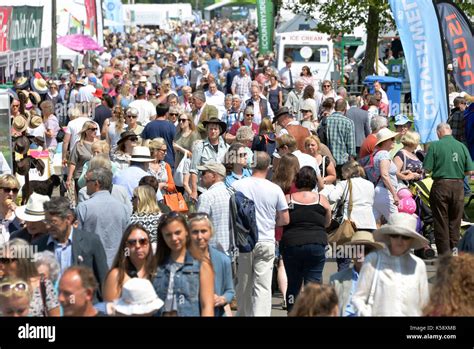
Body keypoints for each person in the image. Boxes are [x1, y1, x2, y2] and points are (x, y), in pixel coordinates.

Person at [232, 152, 289, 316]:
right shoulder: (275, 189)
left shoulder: (238, 185)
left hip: (244, 241)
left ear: (251, 165)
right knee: (262, 286)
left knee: (244, 282)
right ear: (269, 167)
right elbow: (285, 219)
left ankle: (243, 314)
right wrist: (271, 223)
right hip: (266, 240)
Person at [351, 213, 430, 316]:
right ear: (388, 236)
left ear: (412, 239)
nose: (399, 240)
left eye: (405, 237)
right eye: (395, 235)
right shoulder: (373, 260)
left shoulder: (418, 265)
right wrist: (366, 313)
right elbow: (358, 298)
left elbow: (424, 303)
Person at [34, 196, 109, 299]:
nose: (48, 227)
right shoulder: (39, 246)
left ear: (68, 219)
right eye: (46, 222)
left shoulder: (91, 241)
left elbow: (104, 279)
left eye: (53, 222)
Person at [281, 166, 331, 313]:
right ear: (315, 181)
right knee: (314, 284)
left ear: (296, 181)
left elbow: (283, 220)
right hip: (316, 243)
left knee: (294, 284)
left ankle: (292, 311)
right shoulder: (322, 200)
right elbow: (327, 223)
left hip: (292, 244)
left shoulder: (288, 199)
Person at [424, 123, 474, 255]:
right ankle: (455, 253)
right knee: (455, 222)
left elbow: (427, 168)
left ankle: (444, 255)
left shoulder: (434, 145)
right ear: (450, 131)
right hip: (458, 186)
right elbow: (470, 171)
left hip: (441, 185)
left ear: (438, 133)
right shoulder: (461, 146)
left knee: (441, 221)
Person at [152, 213, 214, 316]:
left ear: (186, 231)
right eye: (168, 234)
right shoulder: (156, 265)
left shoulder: (201, 264)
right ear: (162, 236)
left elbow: (207, 306)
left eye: (177, 232)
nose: (174, 238)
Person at [76, 167, 130, 268]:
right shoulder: (123, 208)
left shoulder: (83, 208)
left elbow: (77, 239)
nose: (85, 184)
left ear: (96, 183)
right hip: (117, 265)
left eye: (87, 181)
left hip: (91, 267)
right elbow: (127, 238)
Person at [188, 213, 234, 317]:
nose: (199, 236)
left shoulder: (223, 260)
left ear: (211, 232)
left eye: (204, 231)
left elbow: (230, 291)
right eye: (195, 232)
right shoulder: (180, 261)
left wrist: (222, 299)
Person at [330, 231, 384, 316]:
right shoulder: (336, 280)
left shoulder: (384, 279)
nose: (360, 254)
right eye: (357, 249)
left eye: (366, 250)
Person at [0, 238, 60, 316]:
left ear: (22, 262)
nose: (1, 264)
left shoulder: (43, 286)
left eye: (5, 260)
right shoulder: (2, 287)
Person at [103, 224, 156, 302]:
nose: (138, 246)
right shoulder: (116, 275)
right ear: (125, 248)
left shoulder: (157, 271)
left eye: (143, 241)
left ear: (149, 244)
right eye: (132, 242)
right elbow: (110, 309)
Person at [328, 161, 377, 232]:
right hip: (369, 222)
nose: (341, 174)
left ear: (348, 170)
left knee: (350, 243)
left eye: (342, 172)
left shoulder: (343, 184)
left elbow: (332, 198)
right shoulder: (370, 184)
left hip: (350, 223)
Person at [189, 118, 229, 200]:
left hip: (221, 189)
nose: (213, 131)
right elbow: (193, 170)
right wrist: (194, 191)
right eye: (211, 129)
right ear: (207, 130)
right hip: (203, 189)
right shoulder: (200, 146)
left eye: (215, 129)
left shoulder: (226, 148)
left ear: (220, 131)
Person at [196, 162, 231, 254]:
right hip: (230, 251)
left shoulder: (206, 197)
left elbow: (199, 225)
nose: (201, 176)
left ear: (214, 176)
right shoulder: (231, 194)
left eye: (204, 173)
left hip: (212, 252)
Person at [372, 128, 400, 224]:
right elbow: (384, 175)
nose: (394, 141)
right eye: (392, 139)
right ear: (385, 141)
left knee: (372, 223)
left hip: (379, 191)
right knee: (397, 223)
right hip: (385, 192)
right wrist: (394, 194)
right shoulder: (384, 155)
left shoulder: (378, 154)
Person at [0, 174, 22, 241]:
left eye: (15, 190)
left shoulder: (21, 214)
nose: (11, 193)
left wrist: (19, 215)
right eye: (7, 190)